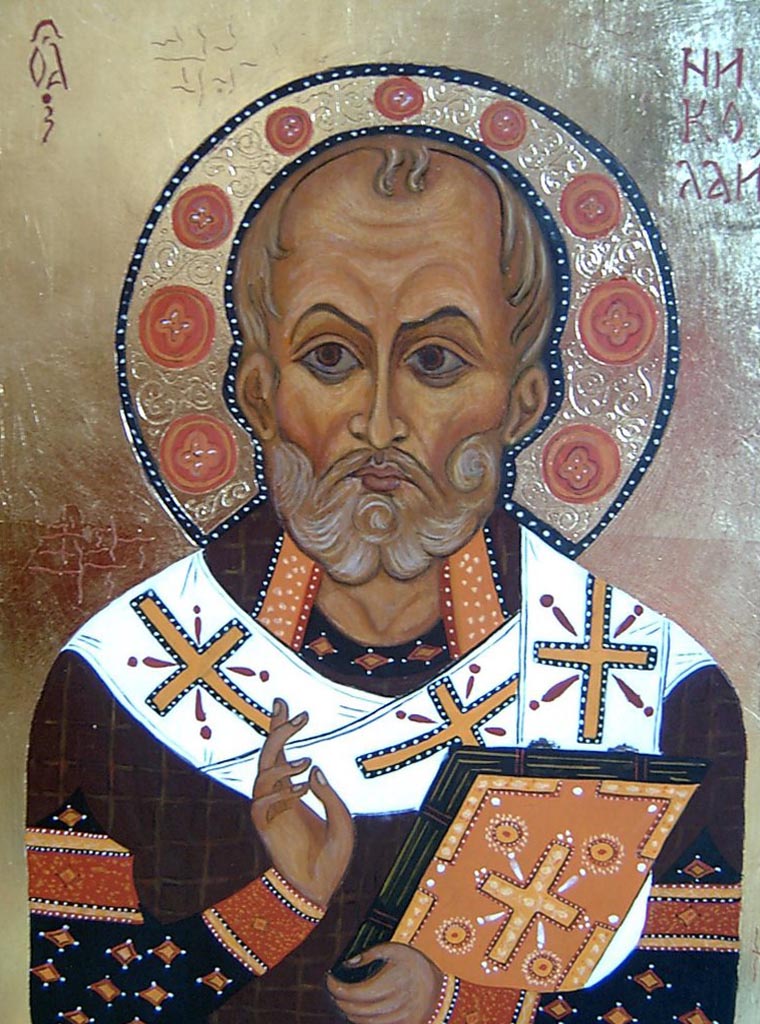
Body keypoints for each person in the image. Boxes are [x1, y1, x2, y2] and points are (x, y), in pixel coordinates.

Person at [27, 137, 744, 1024]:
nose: (378, 422)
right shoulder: (117, 682)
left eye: (436, 360)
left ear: (521, 400)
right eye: (330, 358)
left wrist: (463, 1004)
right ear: (260, 393)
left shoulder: (658, 694)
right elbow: (73, 999)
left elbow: (689, 999)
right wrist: (280, 906)